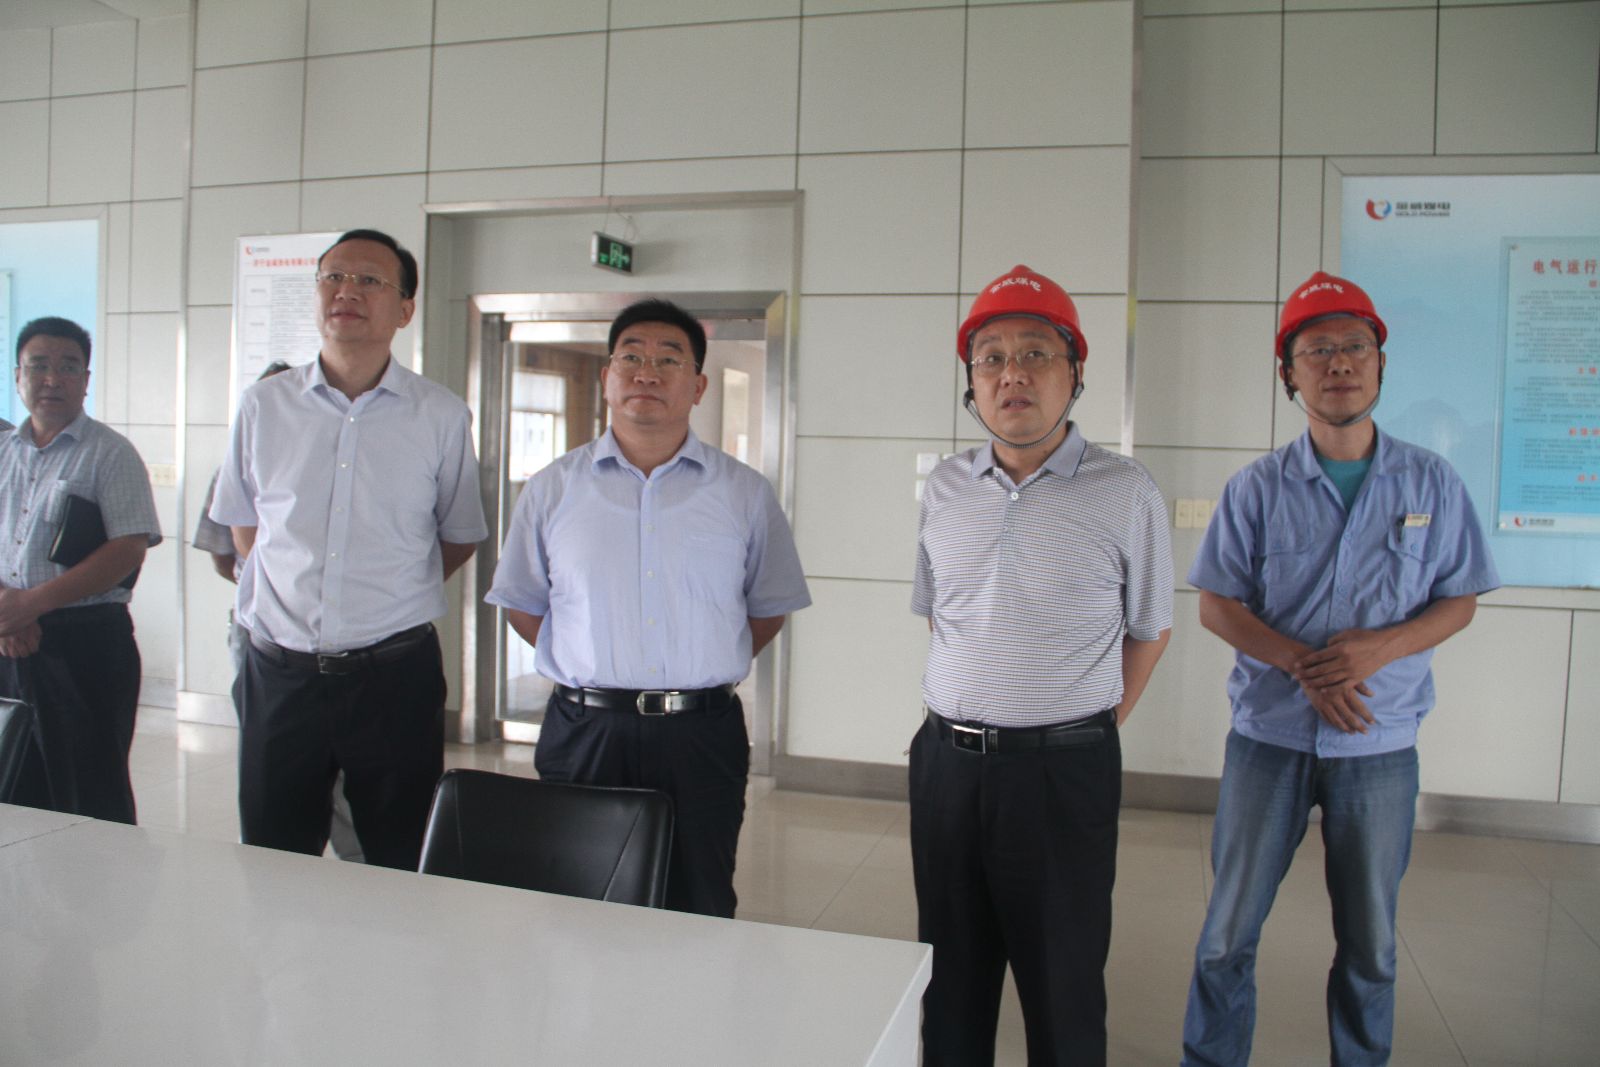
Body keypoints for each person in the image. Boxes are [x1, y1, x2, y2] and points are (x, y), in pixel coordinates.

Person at [1180, 272, 1500, 1067]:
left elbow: (1460, 598)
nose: (1339, 363)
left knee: (1372, 945)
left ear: (1381, 363)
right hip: (1268, 740)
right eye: (1316, 350)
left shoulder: (1432, 481)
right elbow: (1215, 603)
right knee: (1225, 935)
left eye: (1356, 345)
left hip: (1378, 746)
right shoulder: (1256, 488)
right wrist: (1300, 662)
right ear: (1288, 373)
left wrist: (1379, 649)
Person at [911, 265, 1173, 1065]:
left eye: (1035, 353)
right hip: (946, 765)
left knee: (1063, 988)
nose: (1011, 373)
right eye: (990, 357)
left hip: (1064, 775)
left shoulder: (1125, 491)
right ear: (972, 382)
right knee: (949, 981)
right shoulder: (944, 486)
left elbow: (1150, 629)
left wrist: (1082, 729)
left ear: (1075, 373)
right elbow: (941, 614)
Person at [487, 297, 810, 918]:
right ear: (607, 376)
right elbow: (523, 602)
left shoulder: (743, 493)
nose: (647, 373)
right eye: (630, 357)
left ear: (698, 386)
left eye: (669, 360)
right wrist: (591, 659)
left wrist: (698, 663)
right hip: (586, 731)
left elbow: (767, 607)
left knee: (699, 900)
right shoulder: (554, 487)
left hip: (700, 735)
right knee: (578, 902)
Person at [210, 229, 487, 871]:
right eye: (333, 277)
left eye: (369, 281)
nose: (347, 292)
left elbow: (459, 533)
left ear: (405, 309)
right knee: (274, 855)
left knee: (401, 856)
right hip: (279, 671)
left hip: (393, 674)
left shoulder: (440, 415)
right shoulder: (264, 405)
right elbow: (245, 525)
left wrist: (389, 594)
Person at [194, 360, 363, 862]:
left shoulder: (339, 464)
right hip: (262, 635)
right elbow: (222, 550)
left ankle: (356, 857)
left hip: (346, 642)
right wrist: (269, 586)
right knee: (274, 756)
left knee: (348, 765)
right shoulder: (236, 463)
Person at [0, 316, 162, 822]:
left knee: (89, 796)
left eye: (69, 367)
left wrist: (31, 605)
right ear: (18, 376)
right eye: (38, 366)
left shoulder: (110, 454)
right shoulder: (3, 452)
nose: (53, 379)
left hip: (86, 645)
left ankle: (100, 878)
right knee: (14, 785)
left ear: (86, 379)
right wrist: (9, 615)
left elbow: (127, 549)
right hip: (8, 641)